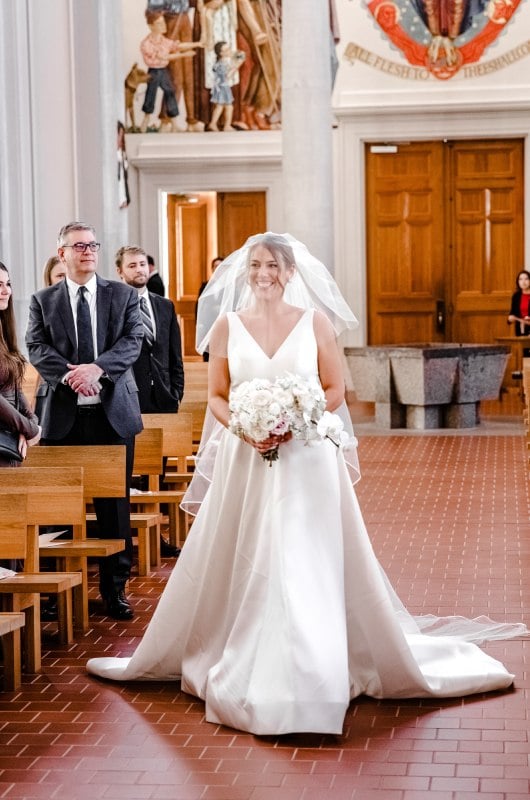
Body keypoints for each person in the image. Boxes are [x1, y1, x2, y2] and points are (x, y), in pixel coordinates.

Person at [87, 233, 527, 736]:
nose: (262, 273)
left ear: (290, 271)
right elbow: (218, 397)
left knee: (303, 557)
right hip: (247, 459)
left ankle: (313, 670)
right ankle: (243, 650)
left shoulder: (314, 322)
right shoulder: (228, 326)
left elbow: (336, 388)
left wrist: (296, 420)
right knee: (249, 551)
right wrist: (248, 428)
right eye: (255, 265)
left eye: (272, 265)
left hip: (307, 456)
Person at [26, 222, 144, 621]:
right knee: (60, 507)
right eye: (78, 246)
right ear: (62, 254)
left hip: (113, 414)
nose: (87, 251)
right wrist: (69, 374)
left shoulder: (122, 295)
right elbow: (36, 346)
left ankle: (115, 590)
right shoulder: (43, 300)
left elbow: (132, 340)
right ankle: (61, 591)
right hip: (63, 416)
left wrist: (97, 369)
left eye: (92, 244)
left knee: (115, 506)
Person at [116, 245, 185, 558]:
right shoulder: (115, 305)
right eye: (132, 265)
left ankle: (158, 537)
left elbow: (174, 354)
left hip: (163, 399)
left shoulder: (164, 305)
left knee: (159, 470)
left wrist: (177, 392)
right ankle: (131, 538)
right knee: (133, 473)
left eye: (142, 264)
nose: (139, 270)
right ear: (121, 272)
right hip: (131, 399)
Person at [0, 261, 41, 467]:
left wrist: (31, 424)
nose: (5, 291)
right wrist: (28, 428)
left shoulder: (4, 333)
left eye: (8, 284)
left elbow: (15, 389)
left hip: (9, 441)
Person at [139, 9, 198, 133]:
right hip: (154, 72)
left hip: (163, 71)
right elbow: (165, 56)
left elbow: (178, 46)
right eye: (159, 23)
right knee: (151, 94)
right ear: (151, 26)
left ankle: (174, 121)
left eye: (163, 23)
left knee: (170, 91)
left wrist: (197, 44)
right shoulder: (146, 43)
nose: (164, 26)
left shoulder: (164, 41)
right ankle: (146, 119)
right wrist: (184, 55)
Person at [207, 41, 245, 131]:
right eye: (227, 50)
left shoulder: (224, 62)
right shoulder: (221, 64)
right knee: (222, 106)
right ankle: (218, 124)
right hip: (222, 87)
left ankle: (223, 125)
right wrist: (237, 66)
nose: (229, 51)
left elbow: (238, 57)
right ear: (221, 53)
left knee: (226, 106)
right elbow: (227, 76)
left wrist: (239, 58)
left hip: (223, 87)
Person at [196, 256, 223, 361]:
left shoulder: (231, 286)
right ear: (212, 269)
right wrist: (199, 324)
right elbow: (199, 306)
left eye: (220, 266)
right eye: (215, 266)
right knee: (207, 356)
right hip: (208, 327)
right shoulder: (205, 286)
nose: (217, 268)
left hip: (222, 326)